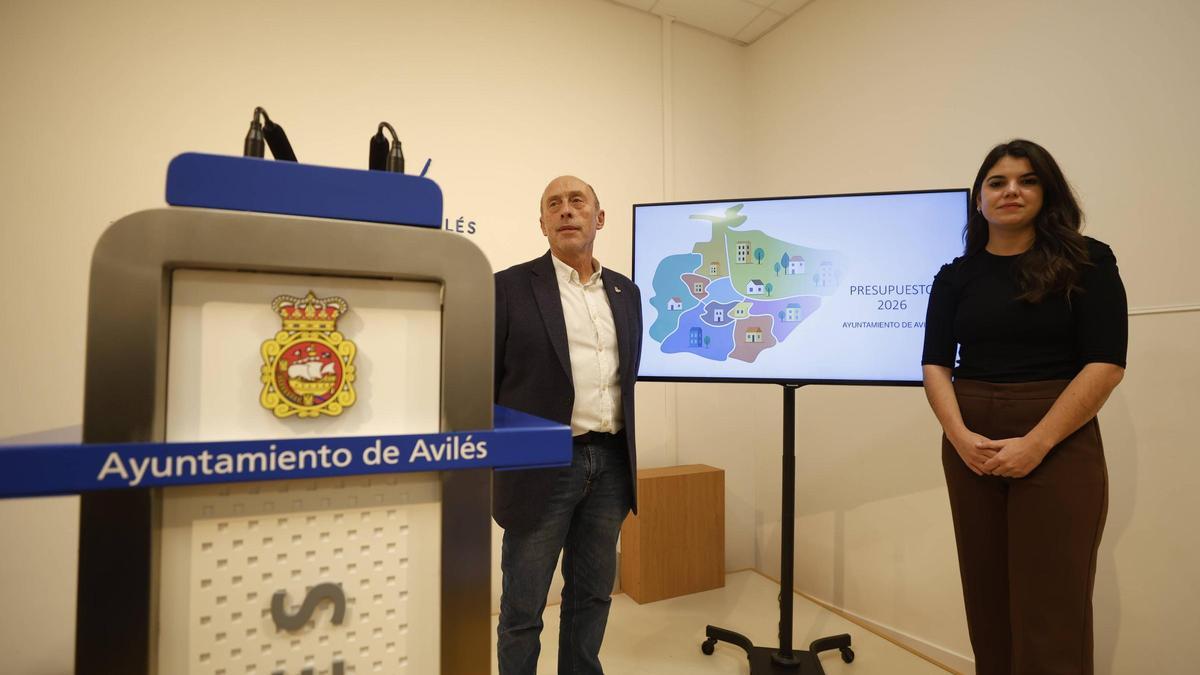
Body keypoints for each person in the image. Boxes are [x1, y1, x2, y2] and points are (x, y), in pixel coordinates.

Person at [921, 139, 1127, 674]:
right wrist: (961, 437)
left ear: (1046, 191)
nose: (1011, 190)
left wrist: (1036, 443)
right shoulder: (954, 276)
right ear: (979, 198)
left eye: (1027, 180)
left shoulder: (1088, 261)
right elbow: (936, 365)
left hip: (1058, 440)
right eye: (997, 181)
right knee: (986, 593)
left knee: (1052, 601)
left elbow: (1106, 364)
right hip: (971, 441)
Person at [493, 175, 642, 674]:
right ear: (542, 224)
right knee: (522, 608)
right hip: (541, 467)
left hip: (613, 463)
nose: (566, 210)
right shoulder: (509, 288)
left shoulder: (626, 292)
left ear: (599, 219)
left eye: (577, 201)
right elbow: (485, 380)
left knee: (592, 596)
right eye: (553, 204)